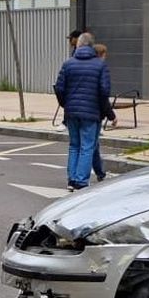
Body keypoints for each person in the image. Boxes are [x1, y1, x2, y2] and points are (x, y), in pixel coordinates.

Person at [54, 33, 111, 191]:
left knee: (74, 145)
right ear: (91, 46)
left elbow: (59, 88)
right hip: (91, 112)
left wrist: (65, 104)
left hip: (71, 112)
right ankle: (81, 181)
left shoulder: (68, 64)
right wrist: (103, 111)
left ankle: (71, 180)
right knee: (87, 146)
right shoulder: (100, 65)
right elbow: (104, 91)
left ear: (78, 45)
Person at [90, 44, 119, 181]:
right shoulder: (100, 69)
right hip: (93, 113)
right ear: (102, 55)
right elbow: (103, 96)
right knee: (90, 145)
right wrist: (111, 116)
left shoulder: (81, 65)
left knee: (79, 146)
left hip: (76, 112)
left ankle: (97, 172)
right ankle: (82, 179)